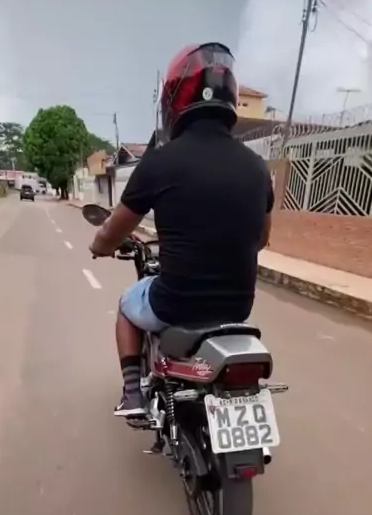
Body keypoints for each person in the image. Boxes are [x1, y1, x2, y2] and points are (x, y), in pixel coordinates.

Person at [89, 42, 274, 417]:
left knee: (127, 304)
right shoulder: (257, 167)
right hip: (238, 307)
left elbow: (113, 231)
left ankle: (133, 394)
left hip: (176, 304)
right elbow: (262, 239)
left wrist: (100, 245)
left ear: (174, 100)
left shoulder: (159, 162)